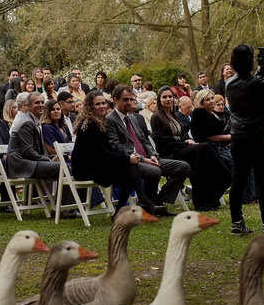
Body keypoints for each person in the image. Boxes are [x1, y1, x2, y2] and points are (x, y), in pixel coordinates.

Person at [225, 45, 264, 235]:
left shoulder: (230, 83)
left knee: (238, 180)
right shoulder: (255, 83)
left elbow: (253, 82)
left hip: (238, 136)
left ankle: (236, 222)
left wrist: (261, 70)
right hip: (258, 136)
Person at [107, 85, 188, 213]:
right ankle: (149, 204)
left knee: (183, 167)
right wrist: (143, 159)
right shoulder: (110, 120)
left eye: (131, 99)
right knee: (154, 171)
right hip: (130, 162)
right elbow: (116, 146)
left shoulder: (133, 118)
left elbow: (144, 140)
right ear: (115, 100)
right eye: (125, 100)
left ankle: (157, 201)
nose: (129, 102)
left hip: (149, 159)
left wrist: (153, 154)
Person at [72, 90, 156, 212]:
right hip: (85, 168)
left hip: (96, 164)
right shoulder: (91, 124)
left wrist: (127, 157)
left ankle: (123, 210)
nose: (102, 106)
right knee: (128, 169)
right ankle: (139, 200)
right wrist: (127, 158)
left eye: (103, 103)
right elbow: (101, 154)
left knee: (129, 171)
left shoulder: (100, 121)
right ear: (90, 107)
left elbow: (106, 151)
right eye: (97, 104)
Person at [151, 86, 230, 211]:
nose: (168, 99)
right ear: (159, 99)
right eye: (164, 97)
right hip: (170, 153)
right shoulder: (156, 117)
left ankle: (205, 200)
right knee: (204, 147)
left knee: (201, 162)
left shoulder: (174, 115)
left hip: (183, 150)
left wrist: (188, 140)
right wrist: (184, 144)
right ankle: (224, 177)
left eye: (170, 96)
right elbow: (163, 141)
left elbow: (183, 135)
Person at [7, 92, 61, 179]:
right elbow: (28, 152)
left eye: (42, 102)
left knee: (65, 166)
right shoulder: (26, 122)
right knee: (62, 167)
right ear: (28, 106)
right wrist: (48, 160)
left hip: (30, 162)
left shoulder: (35, 121)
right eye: (37, 102)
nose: (41, 105)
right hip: (21, 164)